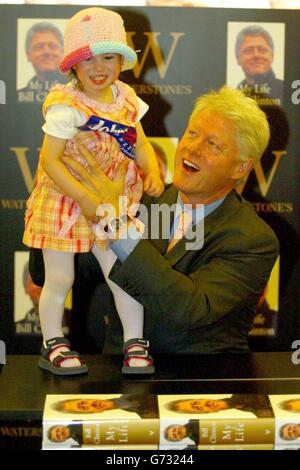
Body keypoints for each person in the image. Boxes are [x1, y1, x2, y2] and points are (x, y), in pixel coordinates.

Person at [56, 85, 279, 356]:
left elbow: (187, 310)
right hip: (120, 379)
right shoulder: (139, 199)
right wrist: (58, 196)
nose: (193, 148)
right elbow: (51, 272)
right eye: (192, 133)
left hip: (202, 385)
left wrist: (117, 224)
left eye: (212, 144)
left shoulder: (253, 239)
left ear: (241, 167)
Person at [23, 7, 164, 376]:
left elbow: (139, 142)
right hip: (64, 198)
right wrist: (83, 197)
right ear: (73, 65)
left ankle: (135, 341)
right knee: (60, 278)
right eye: (88, 59)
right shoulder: (65, 106)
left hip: (109, 198)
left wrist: (150, 169)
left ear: (121, 60)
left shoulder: (126, 98)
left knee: (122, 271)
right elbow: (50, 161)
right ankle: (52, 341)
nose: (99, 67)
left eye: (109, 57)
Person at [18, 21, 66, 103]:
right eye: (39, 47)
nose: (46, 51)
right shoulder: (18, 96)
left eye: (52, 46)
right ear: (28, 54)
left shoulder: (78, 95)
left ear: (62, 52)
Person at [235, 25, 283, 103]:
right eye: (248, 50)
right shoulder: (234, 97)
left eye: (262, 50)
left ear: (272, 56)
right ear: (238, 58)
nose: (256, 55)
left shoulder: (287, 90)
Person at [50, 395, 158, 419]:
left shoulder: (127, 393)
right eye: (84, 408)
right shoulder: (132, 417)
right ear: (90, 413)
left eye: (83, 402)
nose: (91, 404)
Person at [164, 395, 273, 417]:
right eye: (198, 408)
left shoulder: (242, 390)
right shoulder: (257, 417)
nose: (204, 404)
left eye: (196, 402)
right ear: (206, 413)